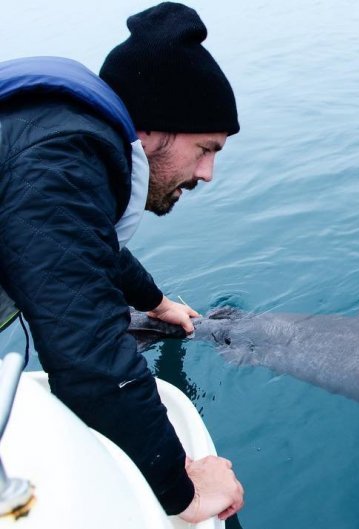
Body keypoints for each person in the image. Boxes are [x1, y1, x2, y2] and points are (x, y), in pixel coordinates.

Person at [0, 2, 244, 523]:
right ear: (154, 130)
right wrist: (183, 491)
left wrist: (155, 303)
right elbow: (87, 358)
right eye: (205, 148)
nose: (207, 174)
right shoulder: (59, 159)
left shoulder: (59, 136)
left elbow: (80, 244)